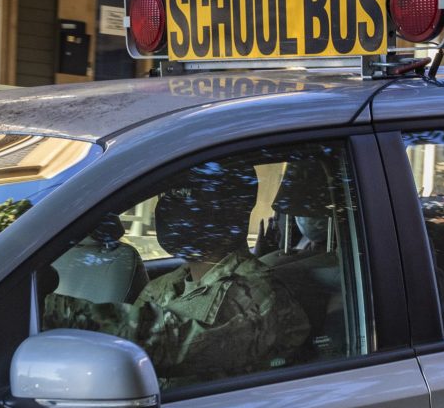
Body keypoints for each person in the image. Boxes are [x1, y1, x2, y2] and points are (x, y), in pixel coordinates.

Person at [44, 160, 310, 387]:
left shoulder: (259, 293)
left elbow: (171, 345)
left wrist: (53, 312)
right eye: (167, 195)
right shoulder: (164, 286)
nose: (169, 207)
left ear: (229, 208)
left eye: (184, 195)